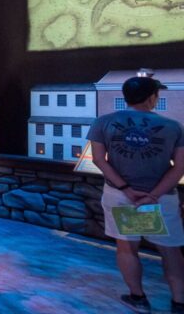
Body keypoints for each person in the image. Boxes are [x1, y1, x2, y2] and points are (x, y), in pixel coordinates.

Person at [88, 75, 184, 314]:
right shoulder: (174, 127)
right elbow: (180, 166)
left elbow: (100, 160)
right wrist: (154, 195)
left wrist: (126, 189)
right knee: (170, 250)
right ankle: (179, 302)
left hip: (122, 197)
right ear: (152, 98)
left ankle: (138, 298)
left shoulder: (103, 122)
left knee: (127, 247)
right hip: (161, 199)